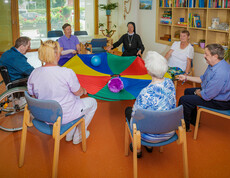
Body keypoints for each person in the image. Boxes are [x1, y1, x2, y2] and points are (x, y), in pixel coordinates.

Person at [27, 40, 97, 144]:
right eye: (59, 50)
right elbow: (78, 92)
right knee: (93, 102)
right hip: (62, 116)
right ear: (55, 54)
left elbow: (33, 96)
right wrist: (83, 90)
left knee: (74, 98)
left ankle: (69, 133)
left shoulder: (34, 73)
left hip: (43, 116)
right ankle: (78, 136)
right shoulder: (66, 72)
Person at [125, 51, 176, 157]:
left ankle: (137, 148)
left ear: (148, 70)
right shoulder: (170, 83)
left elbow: (137, 117)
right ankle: (149, 147)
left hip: (149, 136)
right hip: (169, 130)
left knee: (129, 111)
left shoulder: (146, 92)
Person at [178, 44, 230, 132]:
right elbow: (202, 79)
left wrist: (197, 92)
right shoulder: (213, 64)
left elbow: (207, 96)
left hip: (220, 102)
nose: (204, 56)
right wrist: (186, 77)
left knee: (184, 99)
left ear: (215, 56)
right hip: (212, 93)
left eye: (206, 54)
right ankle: (193, 120)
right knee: (188, 91)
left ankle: (183, 127)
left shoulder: (220, 73)